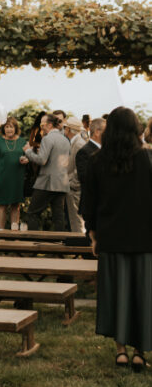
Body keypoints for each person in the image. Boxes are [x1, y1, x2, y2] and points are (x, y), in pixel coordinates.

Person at [82, 106, 152, 372]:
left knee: (116, 295)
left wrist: (93, 234)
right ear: (136, 129)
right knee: (142, 295)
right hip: (145, 239)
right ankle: (139, 352)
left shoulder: (97, 161)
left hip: (111, 237)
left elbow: (89, 203)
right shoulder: (148, 159)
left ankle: (121, 350)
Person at [21, 113, 70, 231]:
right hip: (62, 182)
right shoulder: (65, 140)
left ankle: (34, 243)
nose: (41, 127)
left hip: (47, 182)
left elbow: (42, 160)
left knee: (32, 213)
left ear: (49, 124)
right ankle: (60, 242)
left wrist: (28, 152)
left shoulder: (47, 139)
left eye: (42, 124)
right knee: (59, 216)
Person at [0, 117, 25, 230]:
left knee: (16, 205)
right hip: (3, 179)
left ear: (16, 128)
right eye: (7, 127)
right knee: (2, 205)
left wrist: (26, 159)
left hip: (17, 178)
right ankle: (2, 233)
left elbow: (29, 157)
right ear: (3, 128)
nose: (9, 129)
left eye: (11, 127)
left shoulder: (22, 141)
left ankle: (15, 233)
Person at [76, 117, 106, 216]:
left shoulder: (106, 150)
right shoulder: (84, 151)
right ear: (97, 132)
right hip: (92, 205)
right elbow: (84, 178)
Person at [63, 115, 87, 233]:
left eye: (65, 127)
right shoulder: (75, 142)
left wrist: (72, 183)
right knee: (74, 220)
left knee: (77, 221)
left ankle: (81, 248)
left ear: (69, 129)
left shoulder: (78, 143)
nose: (64, 130)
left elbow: (80, 168)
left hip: (75, 189)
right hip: (72, 188)